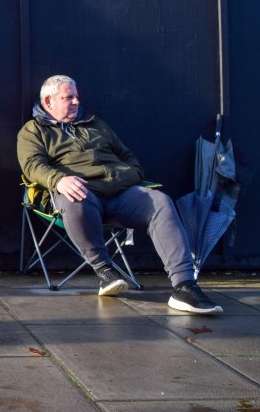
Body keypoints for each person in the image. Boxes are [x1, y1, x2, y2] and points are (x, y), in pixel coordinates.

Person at [17, 74, 223, 315]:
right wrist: (58, 180)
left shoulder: (97, 125)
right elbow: (32, 165)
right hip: (79, 195)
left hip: (118, 193)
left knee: (160, 202)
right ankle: (105, 272)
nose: (75, 102)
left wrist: (127, 175)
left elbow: (129, 159)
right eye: (68, 97)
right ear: (48, 101)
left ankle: (184, 285)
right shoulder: (33, 131)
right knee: (75, 197)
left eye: (76, 97)